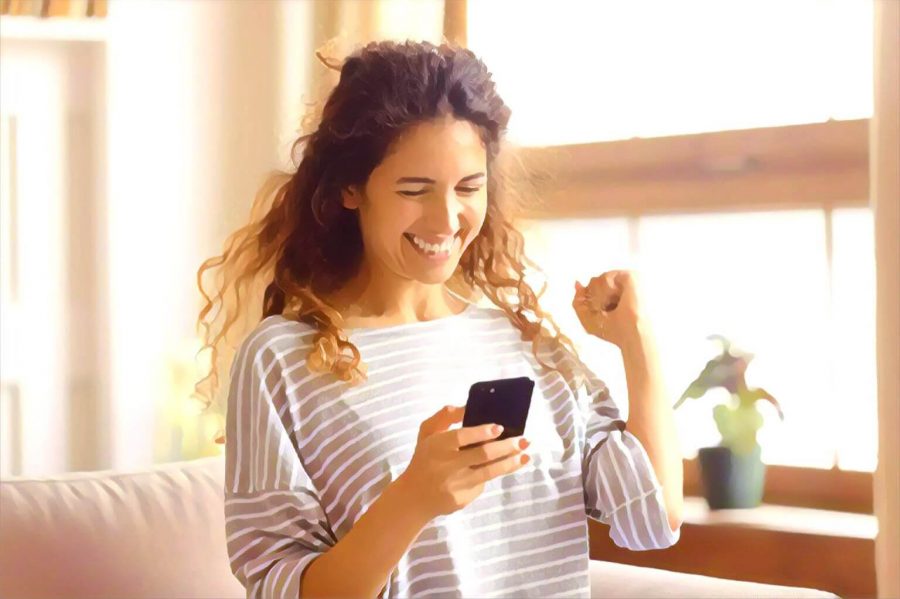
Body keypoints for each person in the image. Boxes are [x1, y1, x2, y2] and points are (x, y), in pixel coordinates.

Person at [195, 39, 682, 599]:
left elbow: (654, 520)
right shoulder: (282, 359)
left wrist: (637, 343)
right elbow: (280, 589)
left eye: (468, 188)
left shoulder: (523, 342)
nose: (446, 219)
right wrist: (412, 500)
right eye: (414, 189)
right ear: (351, 189)